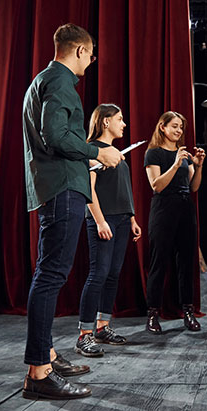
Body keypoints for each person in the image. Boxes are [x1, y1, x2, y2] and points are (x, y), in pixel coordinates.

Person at [22, 23, 123, 400]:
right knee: (50, 277)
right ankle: (39, 372)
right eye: (91, 53)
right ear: (80, 50)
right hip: (62, 190)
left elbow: (53, 141)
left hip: (57, 185)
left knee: (47, 274)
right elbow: (56, 135)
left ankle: (44, 353)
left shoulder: (42, 81)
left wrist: (86, 162)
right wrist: (98, 152)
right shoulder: (62, 81)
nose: (92, 60)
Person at [74, 104, 142, 358]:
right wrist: (100, 221)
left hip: (122, 219)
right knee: (98, 274)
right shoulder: (93, 151)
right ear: (105, 122)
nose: (124, 124)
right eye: (120, 119)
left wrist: (132, 217)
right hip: (104, 220)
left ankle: (102, 327)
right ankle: (85, 335)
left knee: (112, 274)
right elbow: (88, 190)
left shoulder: (116, 152)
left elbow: (122, 187)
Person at [144, 111, 205, 334]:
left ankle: (187, 311)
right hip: (163, 209)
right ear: (163, 127)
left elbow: (194, 187)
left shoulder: (185, 155)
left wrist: (198, 166)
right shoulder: (154, 153)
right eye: (175, 126)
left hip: (185, 208)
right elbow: (156, 185)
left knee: (186, 263)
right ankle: (153, 314)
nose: (179, 131)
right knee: (159, 261)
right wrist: (176, 162)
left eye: (181, 127)